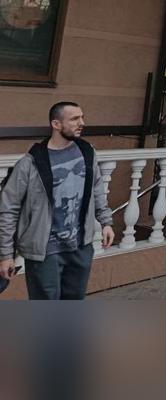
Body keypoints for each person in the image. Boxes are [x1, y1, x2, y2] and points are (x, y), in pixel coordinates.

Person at [0, 102, 115, 300]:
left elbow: (97, 189)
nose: (82, 123)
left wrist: (106, 222)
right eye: (74, 119)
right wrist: (5, 255)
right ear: (56, 124)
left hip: (80, 247)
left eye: (82, 117)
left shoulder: (87, 152)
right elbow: (8, 209)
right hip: (44, 252)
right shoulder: (30, 163)